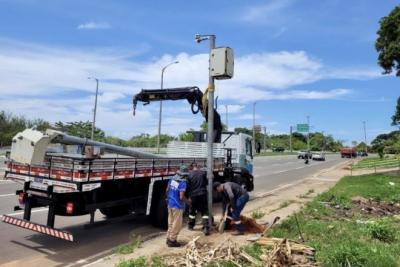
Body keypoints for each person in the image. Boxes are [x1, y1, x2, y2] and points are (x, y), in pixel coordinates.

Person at [166, 165, 191, 247]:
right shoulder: (183, 183)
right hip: (177, 206)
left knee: (170, 223)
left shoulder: (172, 179)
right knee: (177, 224)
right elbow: (181, 196)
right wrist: (188, 202)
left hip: (170, 204)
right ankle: (172, 241)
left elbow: (167, 190)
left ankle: (168, 238)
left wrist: (169, 198)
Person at [187, 164, 210, 235]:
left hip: (193, 195)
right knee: (204, 211)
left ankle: (191, 225)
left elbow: (188, 186)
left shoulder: (189, 175)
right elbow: (206, 183)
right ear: (198, 167)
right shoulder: (203, 173)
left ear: (191, 168)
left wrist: (189, 196)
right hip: (203, 194)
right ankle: (206, 227)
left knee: (192, 211)